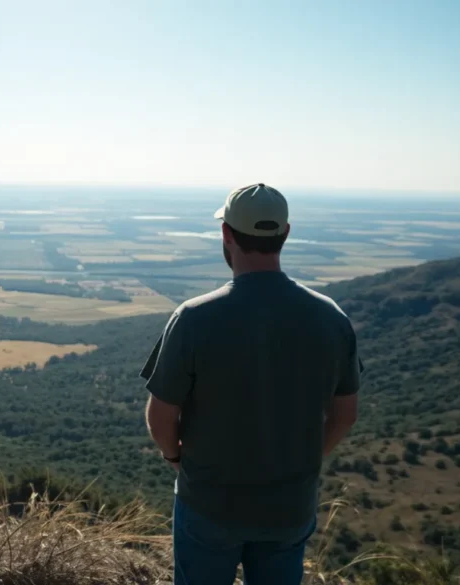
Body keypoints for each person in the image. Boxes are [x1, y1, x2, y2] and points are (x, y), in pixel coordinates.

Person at [140, 184, 361, 585]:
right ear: (286, 233)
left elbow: (161, 415)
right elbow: (345, 415)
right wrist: (306, 460)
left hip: (209, 503)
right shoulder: (331, 318)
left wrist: (176, 458)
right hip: (289, 506)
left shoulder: (193, 318)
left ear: (226, 234)